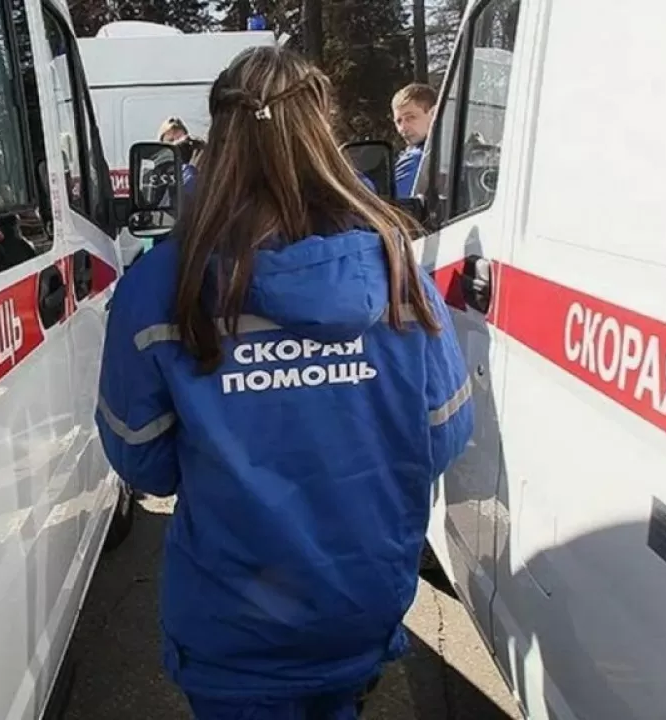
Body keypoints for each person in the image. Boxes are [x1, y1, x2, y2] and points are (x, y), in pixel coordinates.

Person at [95, 46, 474, 719]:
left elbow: (143, 461)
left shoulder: (160, 286)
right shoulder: (395, 269)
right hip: (358, 605)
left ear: (218, 138)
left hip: (232, 623)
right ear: (322, 132)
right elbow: (443, 435)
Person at [390, 82, 438, 199]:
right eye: (399, 121)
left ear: (433, 114)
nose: (402, 128)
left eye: (411, 117)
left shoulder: (416, 159)